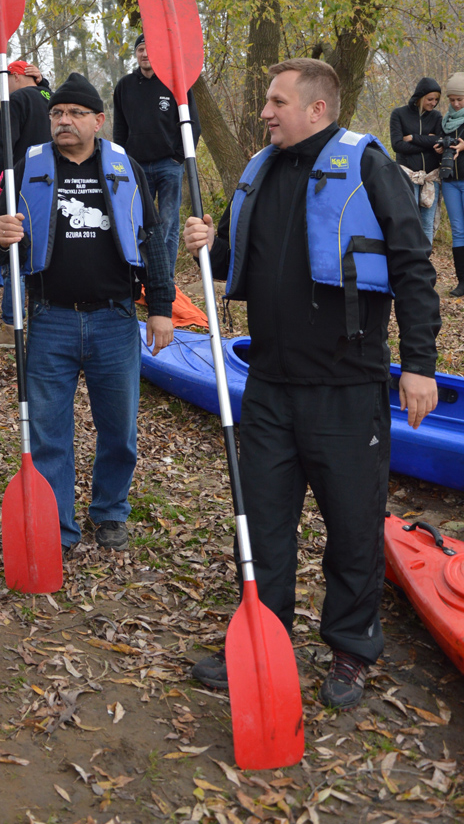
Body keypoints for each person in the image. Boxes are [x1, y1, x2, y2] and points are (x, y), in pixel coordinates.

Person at [184, 59, 440, 710]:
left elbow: (413, 267)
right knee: (262, 524)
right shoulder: (260, 170)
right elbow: (230, 257)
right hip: (269, 384)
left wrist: (418, 364)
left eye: (277, 102)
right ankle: (262, 637)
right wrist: (207, 242)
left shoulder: (369, 166)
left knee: (353, 525)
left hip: (346, 386)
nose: (265, 112)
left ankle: (351, 649)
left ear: (317, 108)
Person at [0, 72, 175, 552]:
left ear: (98, 120)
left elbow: (152, 240)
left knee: (120, 431)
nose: (63, 121)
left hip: (115, 319)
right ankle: (58, 526)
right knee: (48, 433)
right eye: (57, 113)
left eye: (75, 113)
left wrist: (161, 307)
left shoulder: (125, 166)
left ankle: (110, 511)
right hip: (50, 319)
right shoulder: (26, 168)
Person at [112, 33, 201, 276]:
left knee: (168, 223)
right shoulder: (125, 86)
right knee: (137, 221)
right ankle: (142, 276)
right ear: (136, 54)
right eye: (140, 49)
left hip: (169, 165)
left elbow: (192, 123)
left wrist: (179, 156)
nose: (145, 54)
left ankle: (165, 278)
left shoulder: (175, 83)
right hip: (136, 167)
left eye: (149, 49)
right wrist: (123, 161)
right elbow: (119, 128)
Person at [0, 59, 52, 347]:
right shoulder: (54, 98)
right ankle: (44, 321)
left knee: (13, 249)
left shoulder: (17, 100)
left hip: (22, 184)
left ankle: (12, 325)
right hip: (55, 183)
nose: (2, 91)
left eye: (4, 83)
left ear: (18, 76)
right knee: (46, 249)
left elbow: (2, 144)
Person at [389, 76, 443, 244]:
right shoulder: (399, 114)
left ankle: (424, 258)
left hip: (431, 178)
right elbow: (397, 145)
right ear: (420, 96)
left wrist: (413, 138)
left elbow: (440, 141)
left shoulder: (436, 117)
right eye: (430, 99)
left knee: (427, 223)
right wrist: (428, 142)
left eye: (436, 100)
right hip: (407, 175)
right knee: (409, 220)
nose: (433, 103)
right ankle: (409, 256)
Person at [440, 72, 464, 296]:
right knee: (458, 231)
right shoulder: (444, 121)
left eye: (460, 99)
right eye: (452, 99)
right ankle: (462, 281)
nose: (456, 104)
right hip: (449, 182)